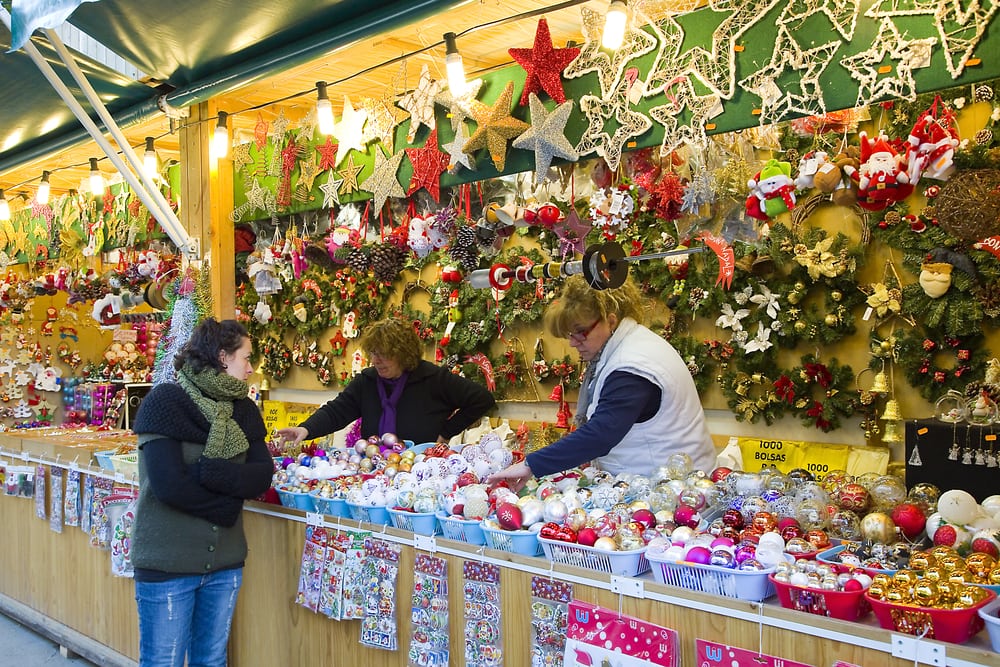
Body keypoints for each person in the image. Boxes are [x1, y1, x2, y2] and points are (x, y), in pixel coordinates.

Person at [131, 318, 273, 667]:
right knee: (162, 661)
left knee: (211, 661)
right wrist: (227, 503)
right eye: (246, 357)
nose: (251, 368)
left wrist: (206, 473)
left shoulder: (243, 410)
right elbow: (168, 485)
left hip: (224, 564)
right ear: (223, 357)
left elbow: (261, 475)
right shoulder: (165, 402)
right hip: (168, 564)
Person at [487, 275, 715, 489]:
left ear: (610, 320)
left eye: (580, 332)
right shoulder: (629, 347)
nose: (574, 343)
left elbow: (601, 433)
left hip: (667, 488)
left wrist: (531, 465)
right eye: (569, 335)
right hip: (655, 480)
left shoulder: (632, 365)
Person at [277, 317, 496, 447]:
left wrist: (446, 432)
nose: (375, 361)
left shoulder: (432, 378)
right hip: (375, 470)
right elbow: (336, 411)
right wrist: (305, 429)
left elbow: (481, 399)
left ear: (403, 353)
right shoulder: (368, 381)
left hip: (421, 475)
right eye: (373, 353)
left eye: (383, 354)